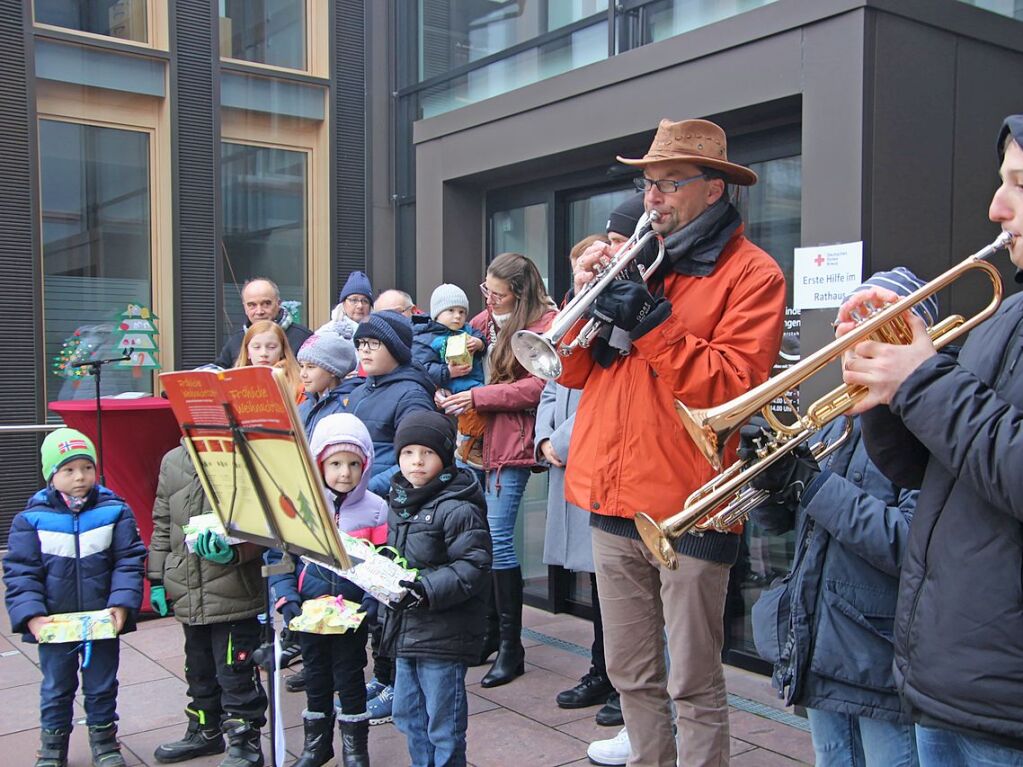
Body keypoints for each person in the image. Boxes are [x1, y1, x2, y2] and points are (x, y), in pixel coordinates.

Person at [560, 118, 786, 766]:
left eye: (667, 184)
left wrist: (651, 321)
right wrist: (586, 301)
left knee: (691, 679)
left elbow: (730, 387)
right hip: (613, 493)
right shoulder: (636, 256)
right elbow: (572, 371)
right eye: (646, 183)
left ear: (712, 189)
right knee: (629, 669)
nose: (651, 197)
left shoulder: (752, 274)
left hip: (694, 501)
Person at [836, 114, 1023, 765]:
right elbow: (928, 469)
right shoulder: (1005, 314)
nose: (995, 207)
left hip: (1003, 694)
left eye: (1017, 184)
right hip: (943, 671)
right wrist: (883, 396)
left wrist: (919, 380)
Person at [733, 271, 932, 767]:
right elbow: (794, 527)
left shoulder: (929, 422)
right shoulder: (842, 415)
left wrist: (809, 483)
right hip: (823, 635)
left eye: (866, 330)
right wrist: (771, 485)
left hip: (880, 651)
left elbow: (908, 542)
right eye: (846, 331)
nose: (848, 345)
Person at [438, 252, 557, 688]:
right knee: (482, 538)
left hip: (512, 442)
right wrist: (453, 360)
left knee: (500, 537)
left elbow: (541, 386)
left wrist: (479, 396)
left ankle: (512, 647)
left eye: (497, 293)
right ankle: (490, 634)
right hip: (474, 440)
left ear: (520, 292)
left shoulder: (547, 322)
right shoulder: (484, 321)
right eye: (485, 290)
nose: (488, 299)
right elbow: (453, 361)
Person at [538, 227, 635, 731]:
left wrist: (563, 442)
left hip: (591, 456)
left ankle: (624, 681)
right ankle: (601, 669)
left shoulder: (620, 316)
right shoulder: (573, 316)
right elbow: (552, 379)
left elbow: (608, 388)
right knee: (599, 587)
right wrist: (543, 439)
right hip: (566, 458)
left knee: (617, 587)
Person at [4, 428, 146, 767]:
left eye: (86, 467)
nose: (79, 476)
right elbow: (21, 572)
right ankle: (52, 748)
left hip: (102, 620)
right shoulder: (31, 519)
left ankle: (105, 743)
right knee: (56, 686)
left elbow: (128, 560)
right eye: (68, 469)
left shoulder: (115, 511)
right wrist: (32, 616)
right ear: (51, 475)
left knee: (101, 684)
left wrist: (122, 604)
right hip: (55, 623)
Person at [267, 414, 388, 767]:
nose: (344, 473)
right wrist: (287, 597)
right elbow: (280, 557)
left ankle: (355, 749)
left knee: (351, 678)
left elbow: (382, 562)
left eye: (354, 464)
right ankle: (317, 745)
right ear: (318, 463)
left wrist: (371, 601)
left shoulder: (376, 509)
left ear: (365, 466)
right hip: (309, 612)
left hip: (353, 614)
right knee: (316, 677)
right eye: (335, 463)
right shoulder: (300, 508)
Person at [379, 411, 491, 767]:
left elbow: (473, 565)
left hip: (444, 632)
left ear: (444, 456)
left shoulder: (457, 507)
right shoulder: (399, 501)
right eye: (408, 453)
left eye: (426, 453)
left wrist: (425, 589)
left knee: (443, 723)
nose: (416, 462)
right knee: (408, 715)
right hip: (405, 629)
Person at [147, 442, 268, 766]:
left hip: (234, 590)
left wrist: (237, 552)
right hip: (188, 587)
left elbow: (267, 523)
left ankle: (245, 742)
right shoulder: (172, 460)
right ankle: (204, 730)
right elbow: (162, 522)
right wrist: (157, 578)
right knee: (197, 668)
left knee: (235, 671)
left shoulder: (241, 455)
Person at [413, 284, 487, 467]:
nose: (457, 316)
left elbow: (483, 339)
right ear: (437, 314)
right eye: (451, 311)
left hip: (476, 380)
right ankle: (470, 444)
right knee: (473, 410)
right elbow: (423, 368)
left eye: (462, 312)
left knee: (485, 407)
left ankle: (475, 443)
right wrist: (448, 372)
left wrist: (478, 344)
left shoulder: (468, 330)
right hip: (454, 386)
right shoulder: (427, 336)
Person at [215, 277, 312, 368]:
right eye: (252, 305)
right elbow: (219, 370)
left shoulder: (303, 338)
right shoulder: (237, 339)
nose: (259, 311)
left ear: (278, 304)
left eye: (266, 304)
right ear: (245, 308)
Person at [296, 333, 360, 436]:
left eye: (311, 367)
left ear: (332, 371)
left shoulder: (346, 408)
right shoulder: (303, 407)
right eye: (301, 366)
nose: (303, 374)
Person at [235, 320, 303, 401]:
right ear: (247, 352)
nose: (264, 353)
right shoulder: (236, 384)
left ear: (282, 351)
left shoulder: (297, 385)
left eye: (271, 347)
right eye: (256, 347)